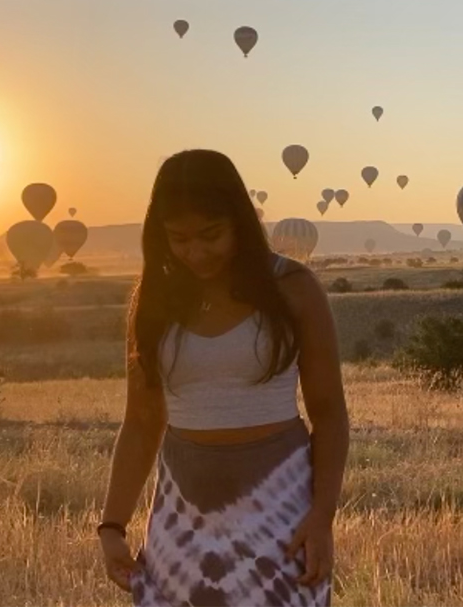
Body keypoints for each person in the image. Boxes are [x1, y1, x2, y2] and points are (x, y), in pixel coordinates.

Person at [97, 149, 350, 607]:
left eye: (211, 235)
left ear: (240, 220)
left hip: (282, 509)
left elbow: (329, 414)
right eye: (179, 238)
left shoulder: (293, 287)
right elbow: (140, 422)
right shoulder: (153, 300)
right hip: (181, 514)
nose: (196, 252)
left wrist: (322, 517)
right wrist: (112, 527)